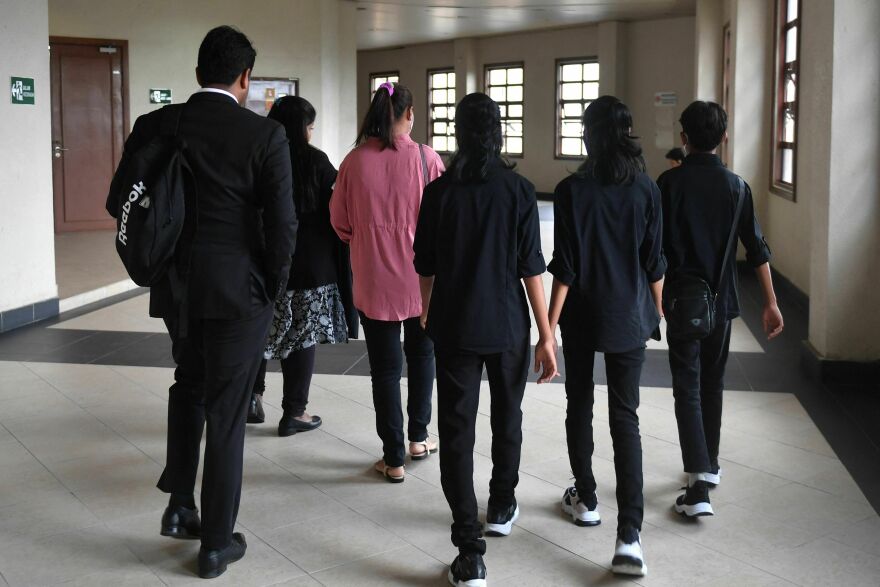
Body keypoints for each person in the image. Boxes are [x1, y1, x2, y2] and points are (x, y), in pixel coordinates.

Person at [106, 26, 297, 578]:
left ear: (196, 75)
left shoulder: (158, 124)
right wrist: (272, 286)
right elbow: (282, 225)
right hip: (241, 291)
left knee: (188, 386)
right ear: (244, 79)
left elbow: (124, 198)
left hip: (177, 287)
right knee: (227, 410)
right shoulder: (263, 136)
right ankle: (215, 542)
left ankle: (178, 507)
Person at [414, 92, 558, 587]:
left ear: (458, 132)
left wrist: (428, 313)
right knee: (507, 417)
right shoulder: (519, 190)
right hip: (507, 328)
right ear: (498, 132)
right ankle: (500, 505)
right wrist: (546, 335)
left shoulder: (439, 193)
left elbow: (425, 267)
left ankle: (469, 551)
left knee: (455, 432)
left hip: (454, 327)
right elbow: (531, 269)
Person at [546, 95, 666, 577]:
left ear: (589, 134)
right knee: (626, 417)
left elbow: (566, 267)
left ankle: (587, 498)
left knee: (579, 402)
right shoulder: (646, 189)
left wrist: (548, 330)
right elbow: (654, 262)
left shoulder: (571, 189)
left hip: (582, 316)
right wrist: (655, 312)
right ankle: (630, 537)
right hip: (629, 317)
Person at [658, 100, 783, 518]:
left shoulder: (668, 185)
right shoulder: (737, 186)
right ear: (723, 138)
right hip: (722, 302)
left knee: (686, 387)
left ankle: (698, 486)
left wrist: (653, 296)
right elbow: (757, 248)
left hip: (680, 301)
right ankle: (707, 466)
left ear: (684, 139)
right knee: (711, 383)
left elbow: (654, 251)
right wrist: (771, 302)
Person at [330, 81, 444, 483]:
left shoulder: (354, 161)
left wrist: (365, 237)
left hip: (374, 279)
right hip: (422, 282)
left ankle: (393, 457)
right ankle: (418, 437)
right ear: (409, 115)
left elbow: (340, 223)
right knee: (422, 357)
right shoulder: (428, 160)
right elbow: (444, 222)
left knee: (384, 369)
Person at [246, 96, 357, 437]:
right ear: (302, 128)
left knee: (260, 332)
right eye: (310, 127)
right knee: (302, 336)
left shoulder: (260, 156)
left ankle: (252, 397)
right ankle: (294, 412)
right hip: (312, 264)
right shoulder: (317, 161)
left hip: (264, 261)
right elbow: (341, 208)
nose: (311, 133)